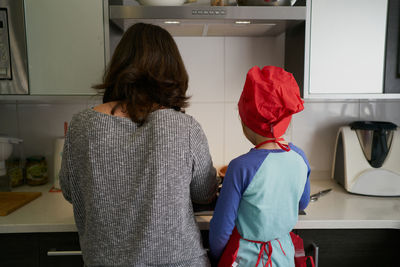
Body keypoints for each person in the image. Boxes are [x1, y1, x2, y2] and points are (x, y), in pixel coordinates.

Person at [59, 23, 218, 267]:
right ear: (173, 71)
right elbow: (204, 192)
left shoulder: (82, 125)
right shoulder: (184, 127)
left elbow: (72, 192)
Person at [209, 66, 311, 267]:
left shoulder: (240, 167)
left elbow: (221, 231)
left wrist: (216, 257)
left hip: (246, 260)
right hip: (283, 257)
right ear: (287, 119)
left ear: (245, 121)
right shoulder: (300, 157)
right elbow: (302, 203)